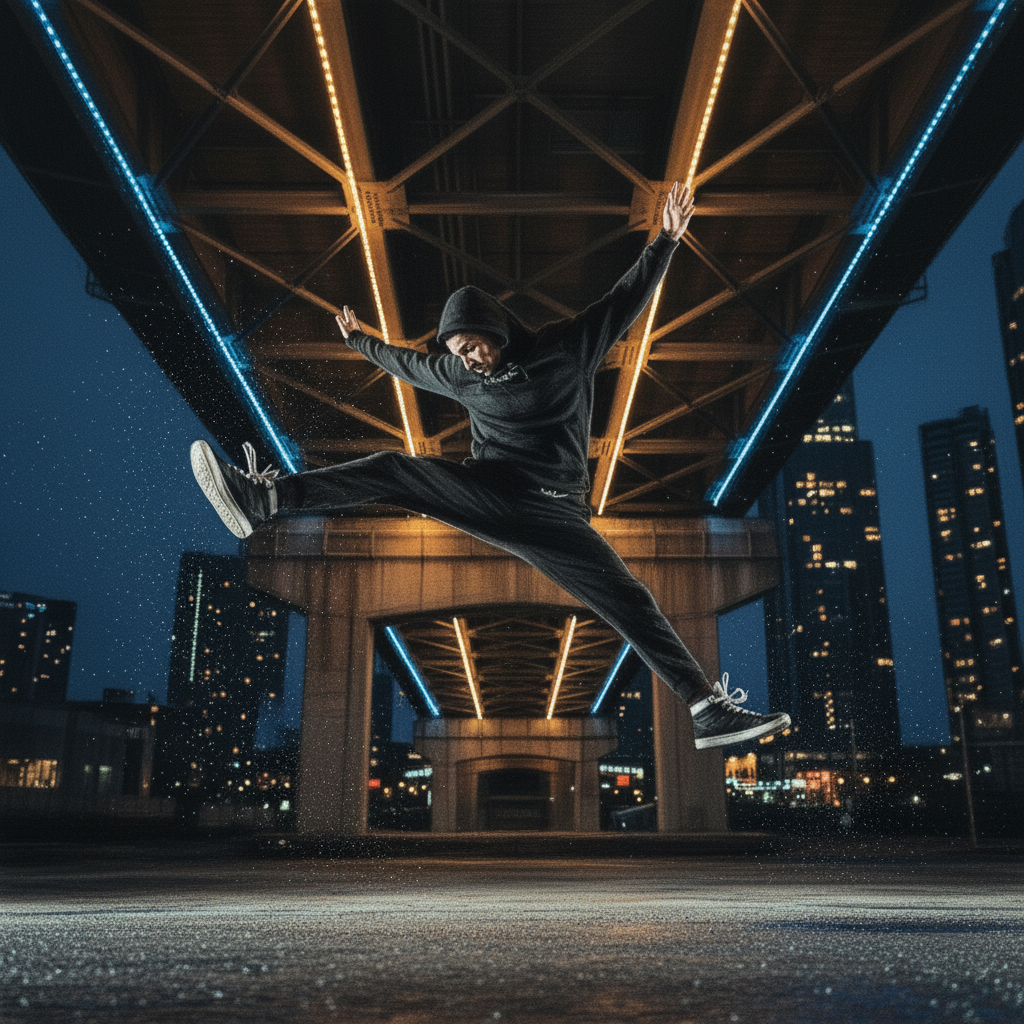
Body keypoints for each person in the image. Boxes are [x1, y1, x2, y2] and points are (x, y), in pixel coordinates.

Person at [190, 182, 791, 749]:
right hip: (489, 492)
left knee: (627, 597)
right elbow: (406, 365)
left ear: (496, 331)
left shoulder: (565, 347)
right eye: (457, 353)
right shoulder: (455, 370)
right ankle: (267, 500)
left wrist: (666, 241)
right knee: (396, 467)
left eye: (474, 346)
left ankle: (706, 708)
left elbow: (624, 301)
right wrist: (359, 342)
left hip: (554, 512)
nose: (469, 361)